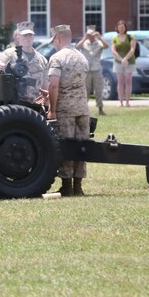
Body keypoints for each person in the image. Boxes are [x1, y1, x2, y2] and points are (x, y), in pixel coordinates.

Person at [46, 24, 91, 196]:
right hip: (83, 109)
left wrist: (52, 109)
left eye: (54, 41)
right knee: (81, 147)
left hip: (65, 110)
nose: (53, 44)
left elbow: (54, 84)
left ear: (58, 39)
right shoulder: (82, 57)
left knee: (65, 146)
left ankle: (67, 186)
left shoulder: (57, 58)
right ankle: (78, 187)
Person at [0, 21, 48, 104]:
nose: (28, 38)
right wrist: (1, 68)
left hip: (36, 105)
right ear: (18, 37)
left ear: (33, 37)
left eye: (30, 35)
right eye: (25, 35)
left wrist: (47, 105)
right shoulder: (9, 55)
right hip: (15, 104)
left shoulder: (42, 60)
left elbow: (46, 87)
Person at [75, 25, 106, 115]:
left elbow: (106, 46)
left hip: (97, 69)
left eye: (92, 34)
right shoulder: (85, 42)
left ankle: (100, 108)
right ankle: (84, 109)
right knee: (85, 90)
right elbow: (77, 46)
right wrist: (85, 37)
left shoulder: (99, 42)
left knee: (98, 90)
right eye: (89, 34)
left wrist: (100, 37)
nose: (91, 36)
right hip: (87, 70)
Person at [109, 20, 136, 107]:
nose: (121, 28)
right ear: (117, 28)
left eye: (123, 27)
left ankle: (128, 102)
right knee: (120, 81)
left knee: (128, 80)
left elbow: (132, 49)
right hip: (118, 61)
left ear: (125, 27)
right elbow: (113, 51)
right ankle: (120, 102)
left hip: (129, 61)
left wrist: (125, 59)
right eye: (119, 27)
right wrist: (121, 59)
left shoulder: (130, 37)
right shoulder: (114, 38)